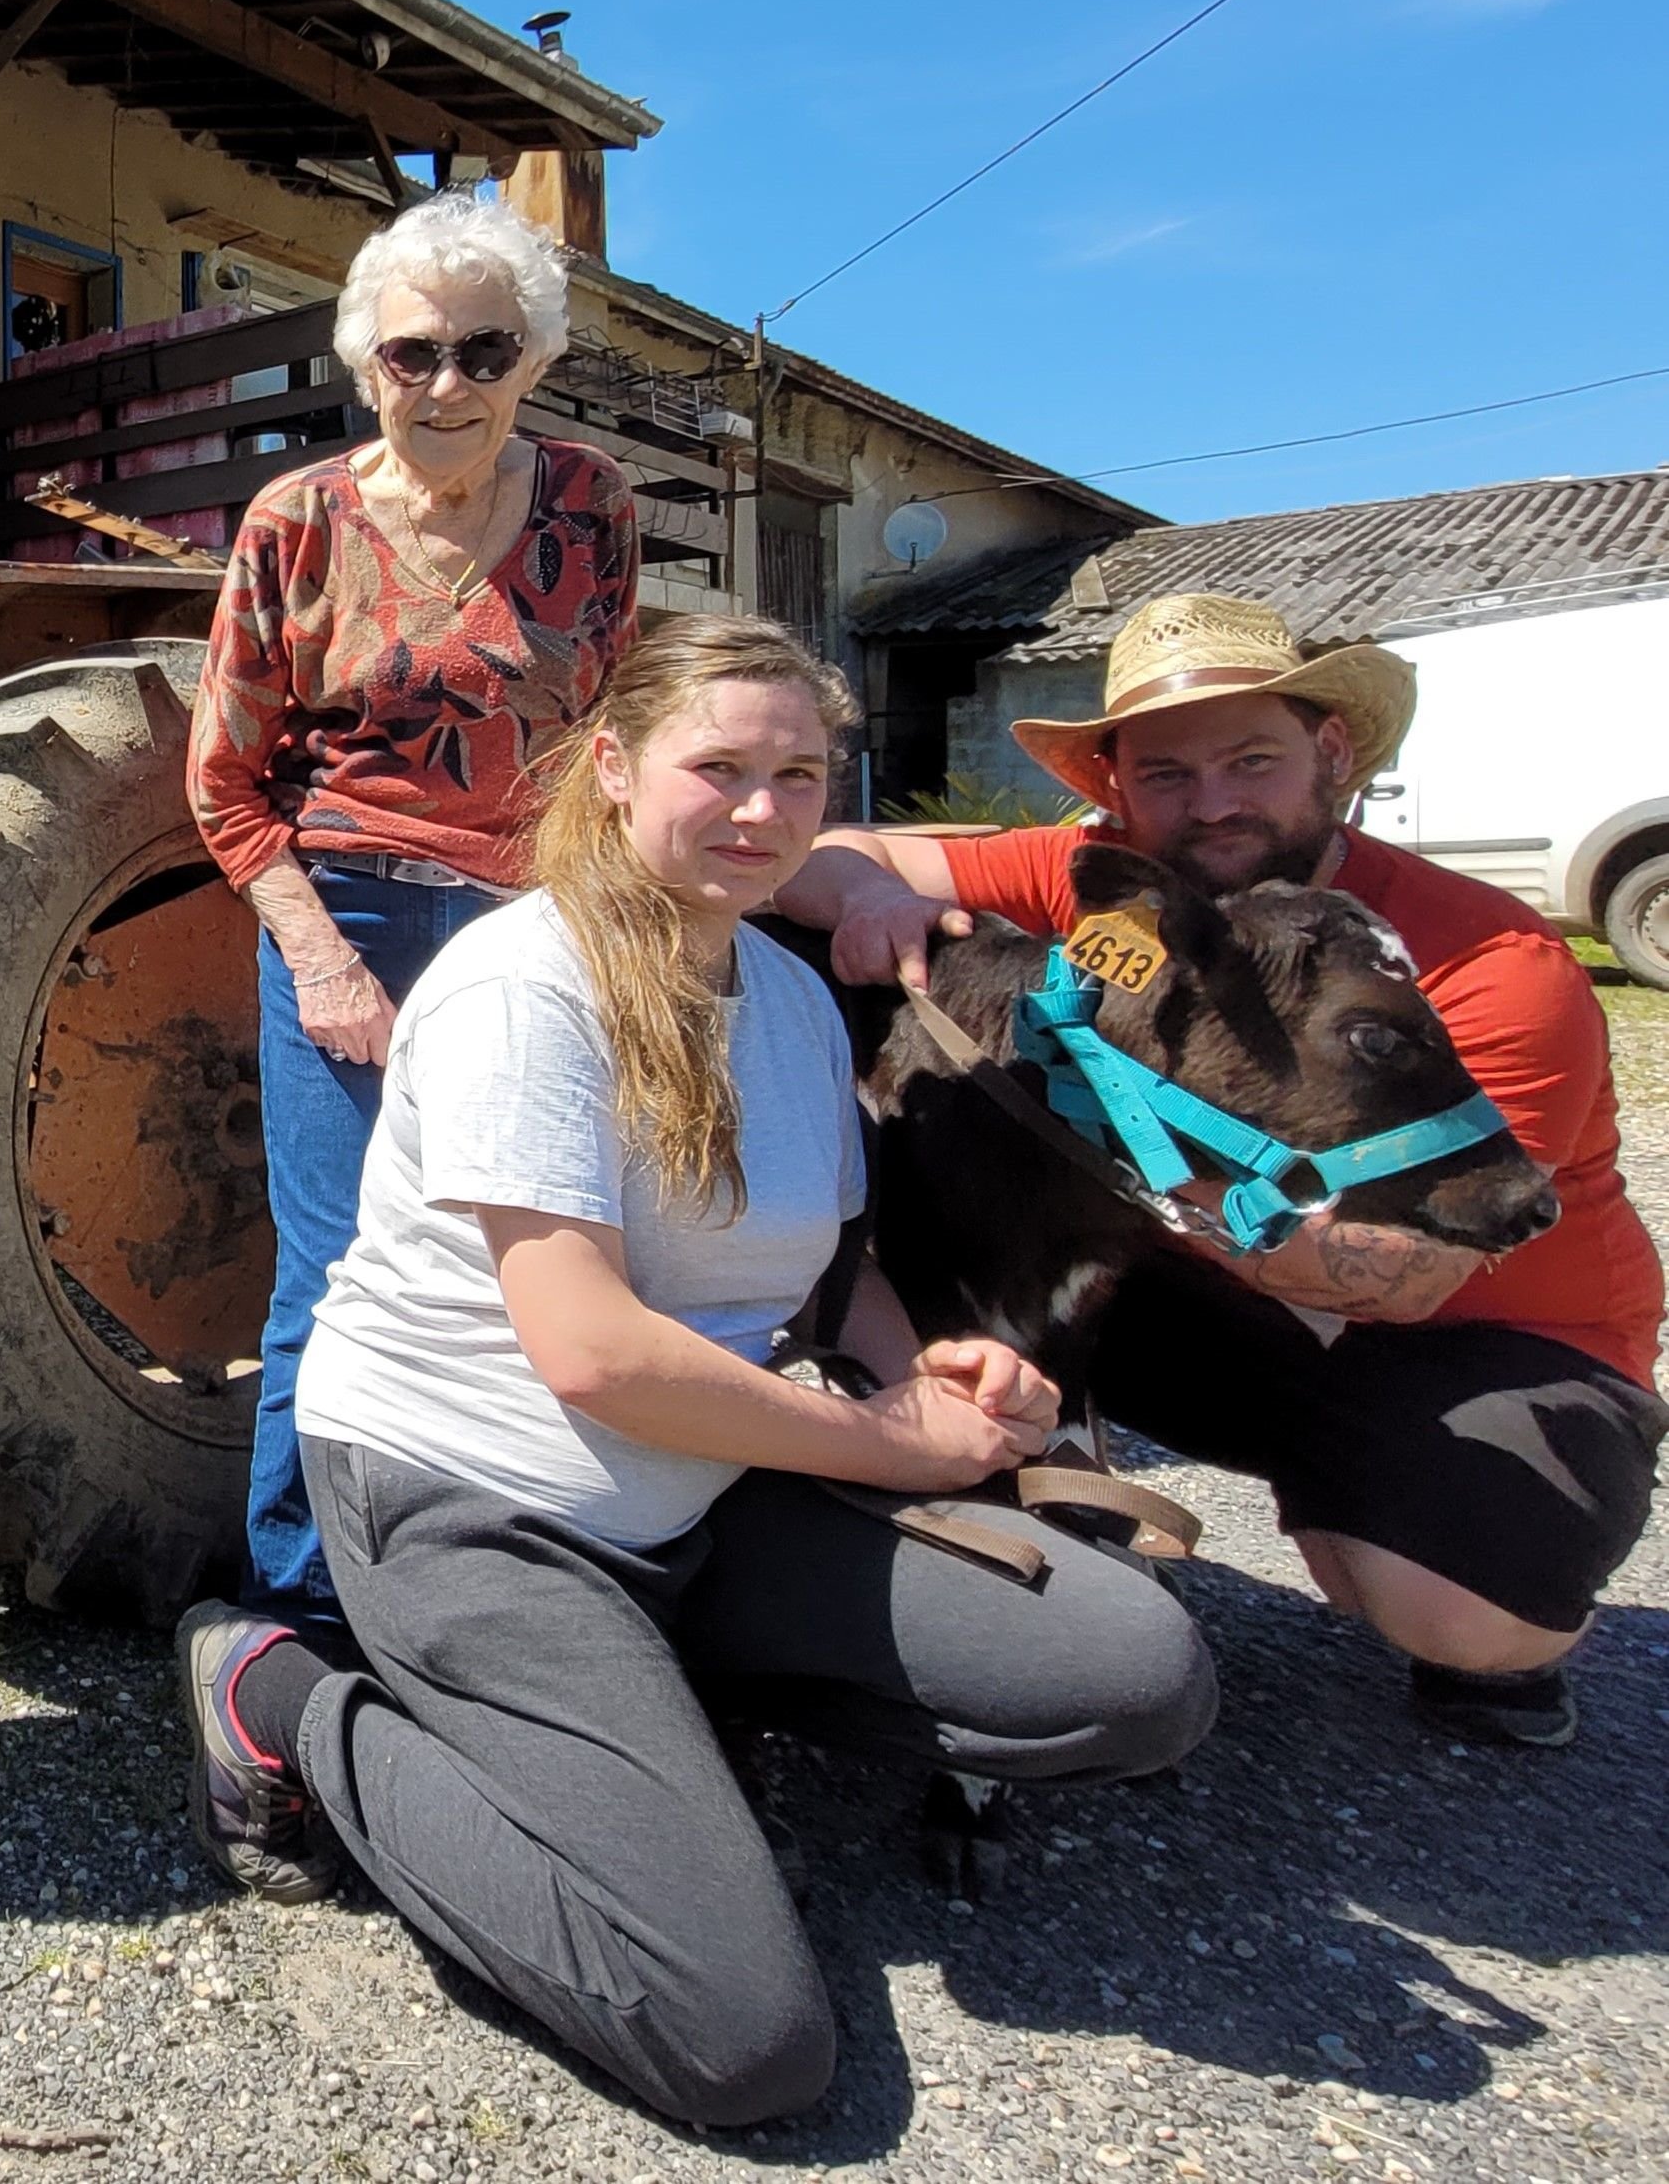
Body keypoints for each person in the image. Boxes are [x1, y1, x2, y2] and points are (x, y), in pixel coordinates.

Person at [177, 618, 1217, 2125]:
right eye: (716, 766)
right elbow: (588, 1350)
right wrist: (893, 1449)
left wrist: (939, 1378)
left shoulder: (785, 999)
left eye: (799, 774)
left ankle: (648, 1720)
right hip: (479, 1499)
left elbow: (826, 1266)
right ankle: (284, 1702)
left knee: (1141, 1673)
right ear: (609, 769)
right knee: (738, 2036)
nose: (761, 807)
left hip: (710, 1484)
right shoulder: (518, 987)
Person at [779, 591, 1664, 1748]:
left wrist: (1138, 1155)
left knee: (1444, 1605)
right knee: (1020, 1263)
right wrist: (877, 900)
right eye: (1165, 775)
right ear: (1116, 789)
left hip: (1485, 1339)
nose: (1211, 804)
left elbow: (1408, 1278)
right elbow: (832, 850)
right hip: (1220, 1290)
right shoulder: (1133, 893)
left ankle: (1478, 1607)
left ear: (1331, 752)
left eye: (1252, 759)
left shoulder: (1486, 958)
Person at [186, 188, 642, 1623]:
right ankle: (302, 1609)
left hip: (529, 929)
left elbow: (611, 741)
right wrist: (319, 960)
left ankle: (504, 1596)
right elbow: (223, 780)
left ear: (533, 359)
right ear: (361, 361)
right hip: (353, 916)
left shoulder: (590, 508)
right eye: (410, 354)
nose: (444, 384)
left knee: (540, 1264)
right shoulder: (295, 525)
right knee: (335, 1273)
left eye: (481, 350)